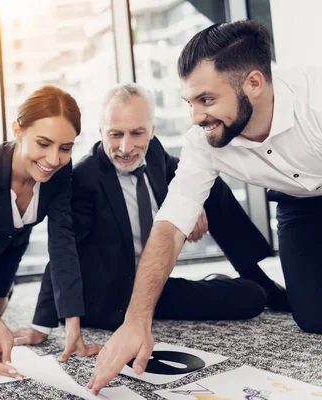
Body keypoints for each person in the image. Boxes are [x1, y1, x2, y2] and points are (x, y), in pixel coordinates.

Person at [88, 20, 322, 394]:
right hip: (299, 204)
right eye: (190, 102)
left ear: (254, 84)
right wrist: (136, 320)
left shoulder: (316, 99)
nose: (196, 117)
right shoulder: (202, 141)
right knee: (313, 316)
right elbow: (170, 224)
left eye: (207, 100)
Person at [14, 83, 285, 346]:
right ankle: (240, 286)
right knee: (251, 298)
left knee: (209, 183)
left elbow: (179, 170)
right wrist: (42, 325)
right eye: (115, 134)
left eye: (137, 133)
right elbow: (64, 252)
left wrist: (194, 200)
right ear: (101, 132)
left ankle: (254, 272)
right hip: (116, 295)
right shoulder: (84, 180)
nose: (125, 147)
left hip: (152, 278)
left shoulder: (154, 153)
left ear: (152, 132)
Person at [0, 86, 100, 379]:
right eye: (43, 143)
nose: (53, 159)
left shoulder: (61, 174)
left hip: (13, 241)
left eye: (65, 148)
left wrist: (72, 324)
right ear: (18, 131)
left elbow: (63, 245)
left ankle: (4, 287)